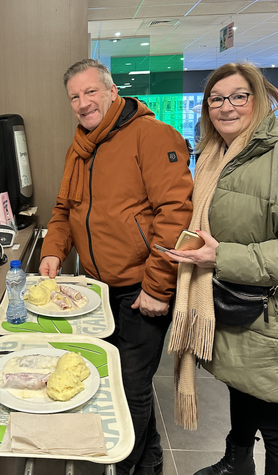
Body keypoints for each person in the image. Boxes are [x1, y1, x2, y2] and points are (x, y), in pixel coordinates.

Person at [39, 59, 193, 475]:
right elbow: (63, 208)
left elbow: (176, 215)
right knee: (119, 385)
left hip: (141, 288)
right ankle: (149, 463)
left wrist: (159, 288)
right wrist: (53, 250)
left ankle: (124, 468)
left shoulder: (151, 135)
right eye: (74, 96)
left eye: (91, 92)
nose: (83, 102)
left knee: (130, 386)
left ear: (112, 92)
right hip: (97, 291)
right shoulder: (80, 146)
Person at [166, 62, 278, 475]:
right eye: (216, 98)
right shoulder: (216, 154)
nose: (226, 107)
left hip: (269, 310)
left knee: (273, 416)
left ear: (259, 100)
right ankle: (237, 461)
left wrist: (221, 257)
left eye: (238, 97)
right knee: (243, 389)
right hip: (237, 301)